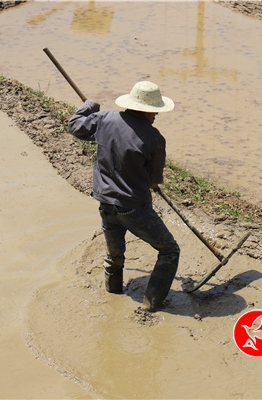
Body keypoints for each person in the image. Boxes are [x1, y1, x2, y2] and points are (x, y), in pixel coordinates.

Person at [68, 81, 180, 312]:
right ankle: (151, 305)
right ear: (145, 110)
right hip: (133, 208)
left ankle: (113, 295)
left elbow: (75, 125)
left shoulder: (104, 119)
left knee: (114, 256)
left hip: (106, 203)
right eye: (154, 110)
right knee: (170, 250)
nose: (156, 115)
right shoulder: (154, 139)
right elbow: (154, 180)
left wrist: (89, 106)